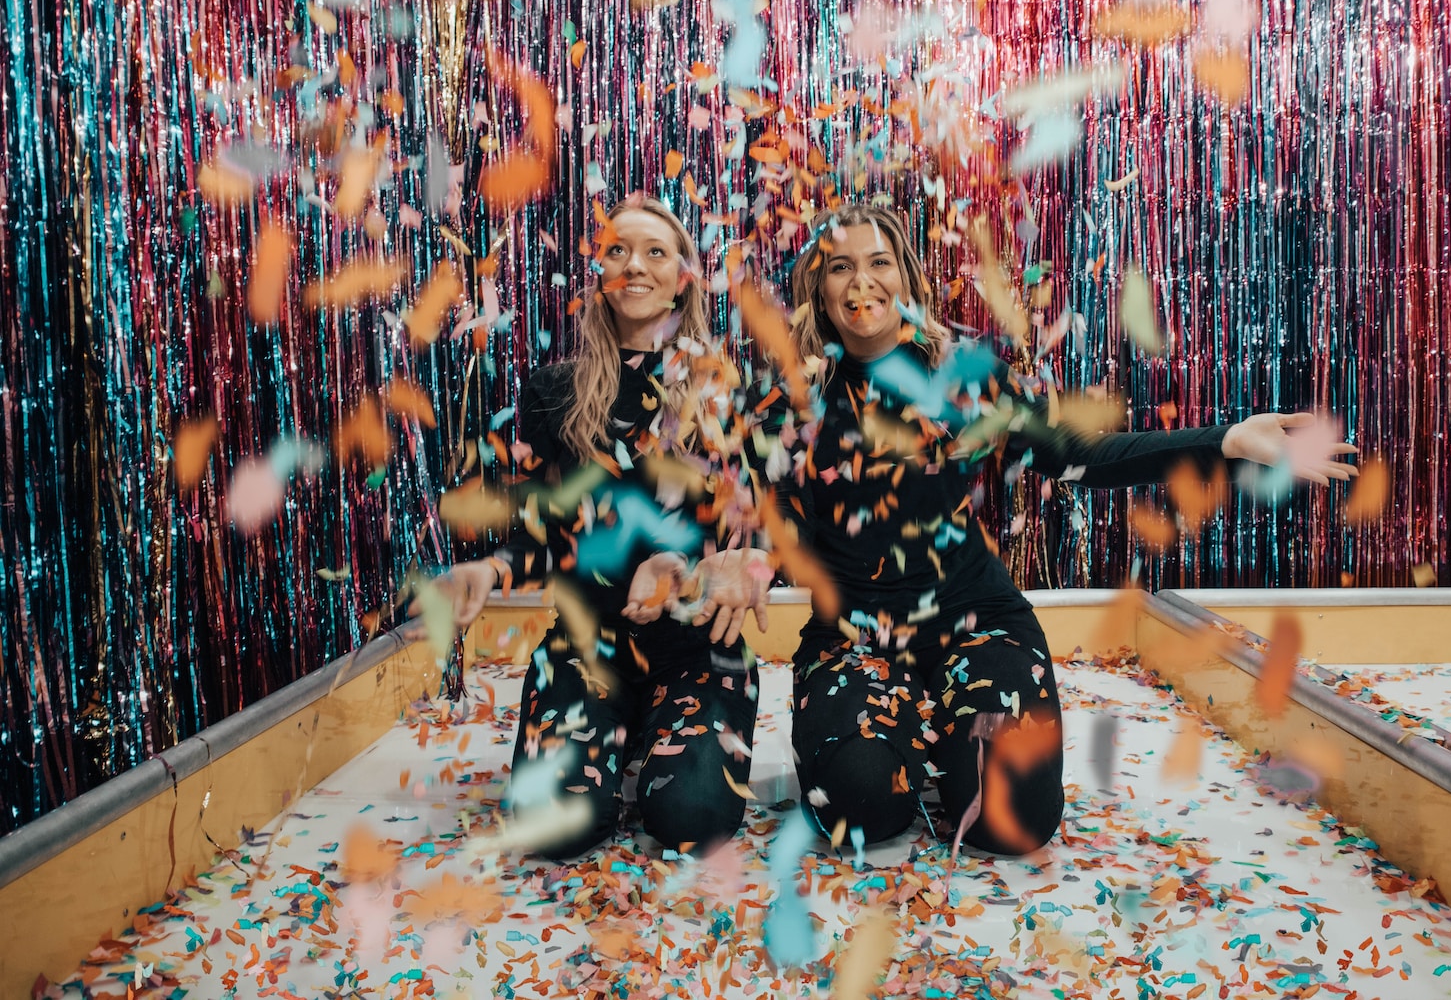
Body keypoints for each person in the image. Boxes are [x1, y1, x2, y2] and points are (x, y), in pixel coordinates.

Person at [746, 202, 1358, 856]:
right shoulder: (788, 405)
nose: (861, 281)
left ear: (907, 280)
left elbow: (1082, 456)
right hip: (853, 638)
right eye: (841, 267)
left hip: (976, 623)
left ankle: (949, 739)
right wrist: (750, 558)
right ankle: (887, 737)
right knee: (863, 807)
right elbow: (762, 520)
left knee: (1013, 821)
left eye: (878, 262)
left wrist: (1227, 440)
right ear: (820, 288)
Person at [427, 194, 771, 857]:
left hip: (696, 653)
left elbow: (755, 534)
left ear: (684, 276)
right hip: (586, 650)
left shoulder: (728, 392)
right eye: (618, 250)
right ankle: (612, 735)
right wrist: (488, 569)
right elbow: (536, 533)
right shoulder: (552, 391)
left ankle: (660, 740)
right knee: (558, 829)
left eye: (654, 252)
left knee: (691, 818)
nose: (634, 266)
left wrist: (734, 567)